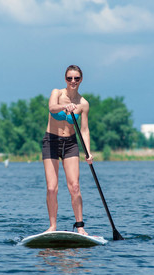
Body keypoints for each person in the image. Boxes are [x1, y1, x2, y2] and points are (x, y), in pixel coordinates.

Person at [42, 65, 93, 236]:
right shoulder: (56, 93)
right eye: (70, 78)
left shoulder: (83, 103)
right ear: (65, 79)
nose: (73, 81)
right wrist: (66, 107)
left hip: (70, 143)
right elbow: (51, 108)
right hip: (51, 141)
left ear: (81, 80)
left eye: (76, 78)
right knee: (52, 188)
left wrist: (88, 151)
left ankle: (80, 226)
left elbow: (84, 130)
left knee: (75, 186)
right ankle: (52, 226)